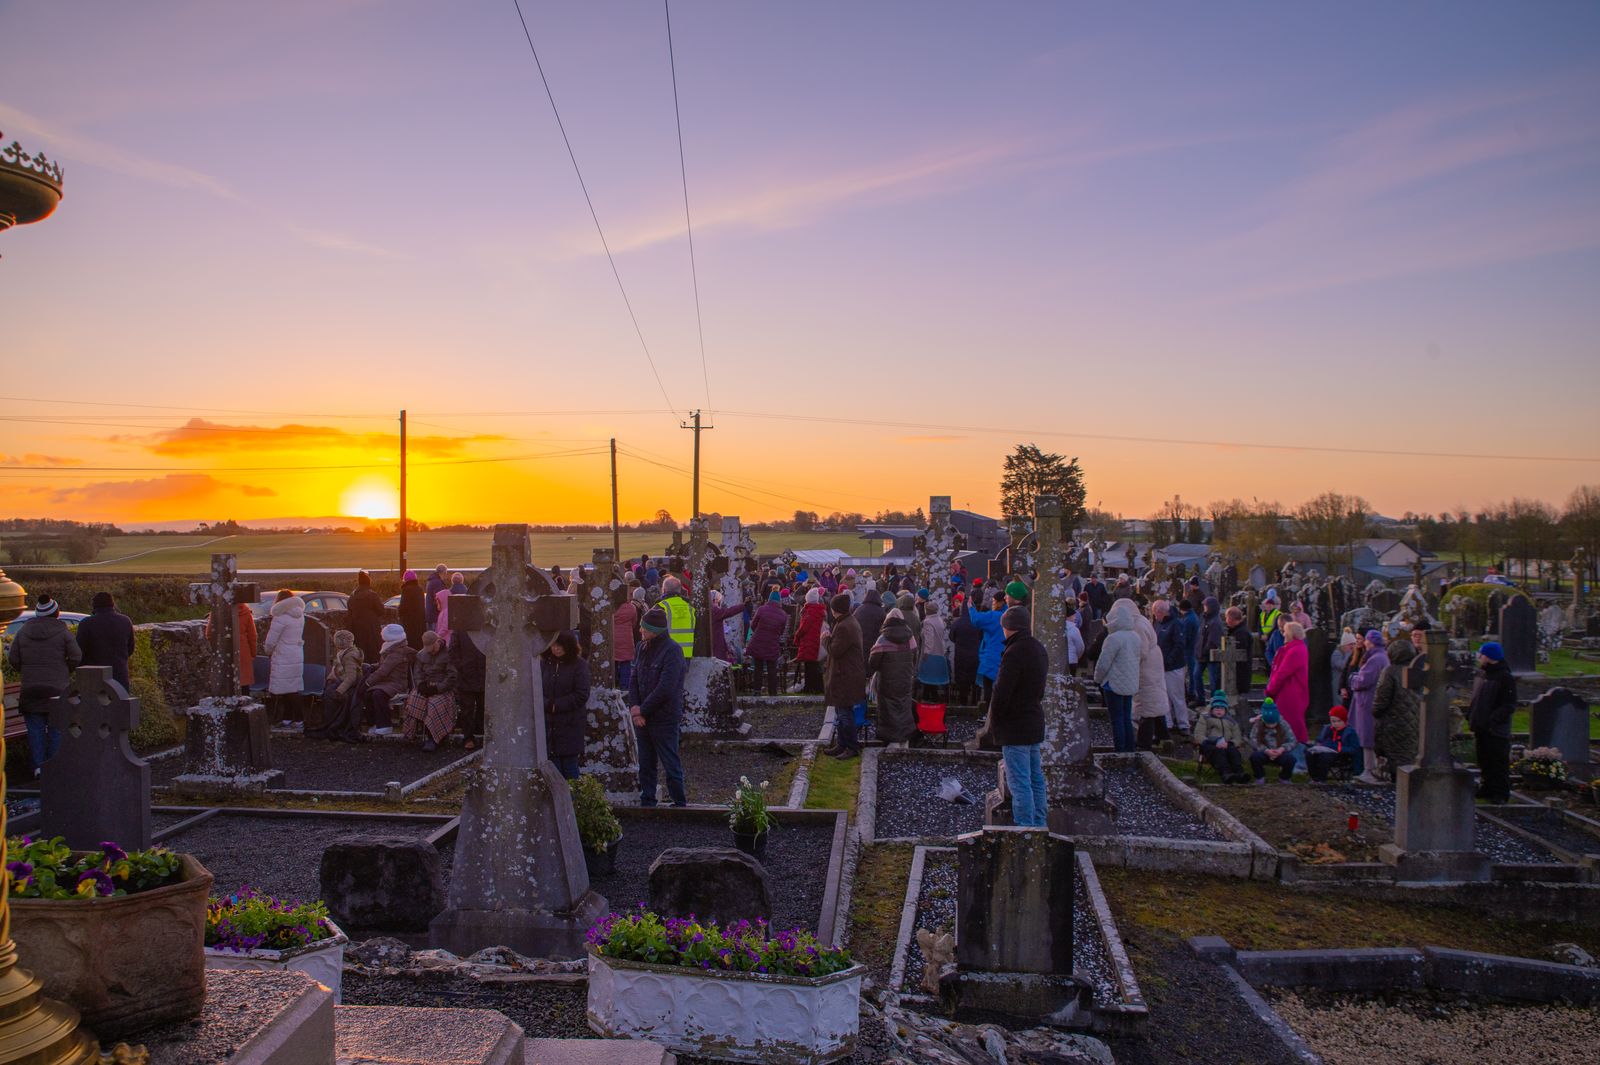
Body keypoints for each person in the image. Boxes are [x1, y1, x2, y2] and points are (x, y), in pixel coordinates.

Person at [7, 595, 79, 775]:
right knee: (56, 728)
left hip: (31, 689)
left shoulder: (23, 632)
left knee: (35, 730)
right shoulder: (63, 632)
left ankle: (39, 767)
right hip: (57, 689)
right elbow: (77, 656)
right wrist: (64, 671)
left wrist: (27, 672)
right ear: (56, 613)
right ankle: (53, 766)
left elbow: (13, 659)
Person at [990, 606, 1049, 826]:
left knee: (1019, 782)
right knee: (1036, 779)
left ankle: (1026, 830)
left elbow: (1002, 692)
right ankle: (1040, 825)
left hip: (1015, 725)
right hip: (1033, 720)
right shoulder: (1038, 648)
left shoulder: (1014, 652)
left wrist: (996, 721)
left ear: (1007, 627)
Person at [629, 606, 688, 806]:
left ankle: (679, 802)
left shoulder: (672, 651)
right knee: (645, 763)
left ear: (655, 630)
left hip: (664, 717)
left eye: (644, 628)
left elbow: (666, 688)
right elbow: (634, 678)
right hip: (643, 716)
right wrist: (635, 708)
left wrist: (642, 710)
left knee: (670, 762)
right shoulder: (641, 648)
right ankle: (648, 799)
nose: (640, 631)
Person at [1468, 641, 1516, 804]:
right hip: (1481, 726)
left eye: (1481, 654)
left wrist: (1492, 720)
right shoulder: (1482, 674)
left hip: (1495, 729)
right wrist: (1471, 715)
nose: (1479, 657)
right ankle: (1487, 787)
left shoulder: (1505, 677)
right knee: (1484, 759)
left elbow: (1509, 704)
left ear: (1489, 657)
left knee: (1498, 761)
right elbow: (1476, 698)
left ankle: (1500, 793)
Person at [822, 593, 868, 760]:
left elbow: (835, 650)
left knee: (844, 713)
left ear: (835, 610)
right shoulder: (848, 622)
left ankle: (851, 746)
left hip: (845, 674)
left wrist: (825, 639)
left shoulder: (844, 626)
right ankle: (842, 744)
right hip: (847, 672)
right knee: (841, 711)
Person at [1094, 598, 1142, 752]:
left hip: (1113, 684)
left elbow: (1103, 663)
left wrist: (1097, 679)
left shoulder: (1113, 638)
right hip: (1130, 683)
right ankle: (1130, 748)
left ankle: (1120, 750)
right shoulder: (1135, 637)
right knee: (1126, 718)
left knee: (1116, 720)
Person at [542, 630, 591, 780]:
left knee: (570, 767)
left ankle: (574, 802)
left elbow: (581, 693)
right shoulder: (545, 664)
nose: (556, 649)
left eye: (559, 646)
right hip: (549, 723)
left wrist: (557, 705)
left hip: (570, 722)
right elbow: (535, 689)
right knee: (553, 767)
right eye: (553, 645)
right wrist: (546, 704)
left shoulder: (579, 665)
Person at [1370, 635, 1421, 774]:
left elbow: (1380, 701)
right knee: (1409, 756)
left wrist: (1375, 711)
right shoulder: (1417, 670)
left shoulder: (1390, 671)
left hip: (1392, 723)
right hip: (1414, 722)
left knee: (1395, 759)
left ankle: (1397, 787)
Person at [868, 608, 918, 745]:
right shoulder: (910, 638)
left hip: (887, 681)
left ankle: (892, 739)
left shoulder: (883, 639)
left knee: (888, 709)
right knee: (904, 708)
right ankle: (904, 739)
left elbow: (873, 663)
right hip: (905, 679)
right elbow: (914, 659)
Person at [1347, 629, 1389, 784]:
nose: (1364, 643)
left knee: (1367, 737)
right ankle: (1371, 770)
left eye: (1366, 640)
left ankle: (1370, 770)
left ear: (1370, 641)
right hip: (1368, 701)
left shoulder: (1376, 659)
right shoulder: (1381, 657)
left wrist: (1353, 679)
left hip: (1367, 701)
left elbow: (1364, 680)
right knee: (1368, 736)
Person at [404, 630, 457, 751]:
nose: (431, 651)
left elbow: (452, 677)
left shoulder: (449, 655)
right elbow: (418, 673)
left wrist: (438, 688)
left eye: (432, 648)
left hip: (443, 688)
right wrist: (421, 684)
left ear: (438, 642)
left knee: (434, 705)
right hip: (426, 686)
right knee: (413, 700)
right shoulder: (421, 655)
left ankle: (433, 737)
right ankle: (410, 733)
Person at [264, 590, 306, 727]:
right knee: (291, 687)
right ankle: (290, 718)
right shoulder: (300, 615)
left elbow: (271, 640)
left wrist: (268, 650)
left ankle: (298, 719)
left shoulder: (280, 617)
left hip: (283, 655)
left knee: (288, 690)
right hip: (296, 653)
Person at [76, 591, 134, 690]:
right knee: (120, 704)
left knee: (95, 704)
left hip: (94, 676)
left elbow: (79, 651)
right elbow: (130, 648)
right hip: (120, 674)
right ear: (112, 604)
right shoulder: (125, 621)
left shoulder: (86, 623)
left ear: (94, 606)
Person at [366, 623, 416, 735]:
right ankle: (375, 723)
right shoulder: (391, 648)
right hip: (388, 682)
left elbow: (383, 671)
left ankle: (385, 725)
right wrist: (371, 666)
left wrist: (367, 682)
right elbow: (382, 665)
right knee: (368, 694)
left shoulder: (398, 652)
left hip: (397, 683)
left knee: (378, 694)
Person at [1265, 621, 1311, 744]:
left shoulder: (1296, 650)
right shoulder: (1292, 649)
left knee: (1291, 720)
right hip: (1287, 691)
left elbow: (1282, 673)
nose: (1284, 634)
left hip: (1290, 692)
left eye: (1285, 631)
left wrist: (1270, 688)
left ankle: (1297, 746)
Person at [1131, 600, 1168, 749]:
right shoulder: (1142, 621)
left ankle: (1144, 743)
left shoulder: (1137, 625)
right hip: (1153, 667)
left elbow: (1141, 652)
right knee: (1155, 704)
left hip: (1147, 670)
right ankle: (1164, 736)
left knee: (1148, 706)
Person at [1192, 690, 1249, 784]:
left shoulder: (1231, 721)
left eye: (1221, 708)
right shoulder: (1205, 718)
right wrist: (1210, 742)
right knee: (1217, 752)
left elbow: (1237, 737)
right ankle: (1226, 774)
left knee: (1233, 751)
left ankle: (1240, 773)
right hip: (1209, 745)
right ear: (1212, 709)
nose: (1219, 710)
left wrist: (1230, 743)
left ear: (1225, 710)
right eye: (1216, 708)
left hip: (1227, 744)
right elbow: (1198, 735)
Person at [317, 629, 365, 742]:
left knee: (331, 695)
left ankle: (334, 726)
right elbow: (337, 670)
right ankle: (331, 725)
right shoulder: (343, 653)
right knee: (329, 691)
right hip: (341, 682)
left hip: (348, 686)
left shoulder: (349, 656)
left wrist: (339, 690)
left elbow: (351, 677)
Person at [204, 598, 259, 694]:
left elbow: (209, 634)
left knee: (225, 684)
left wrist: (218, 647)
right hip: (243, 652)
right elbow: (252, 636)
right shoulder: (246, 612)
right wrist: (252, 654)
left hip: (223, 651)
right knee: (243, 685)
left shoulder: (217, 611)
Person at [1153, 601, 1190, 734]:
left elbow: (1179, 644)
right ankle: (1167, 722)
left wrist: (1169, 660)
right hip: (1161, 666)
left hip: (1173, 666)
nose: (1154, 616)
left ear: (1161, 612)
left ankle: (1183, 724)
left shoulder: (1175, 624)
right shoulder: (1158, 623)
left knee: (1177, 695)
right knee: (1164, 695)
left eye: (1155, 613)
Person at [450, 621, 487, 749]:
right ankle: (468, 737)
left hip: (484, 673)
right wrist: (461, 666)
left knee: (484, 707)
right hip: (466, 674)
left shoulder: (487, 625)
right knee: (467, 709)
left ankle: (482, 734)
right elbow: (453, 650)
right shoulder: (460, 627)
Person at [746, 590, 788, 696]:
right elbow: (781, 631)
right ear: (779, 601)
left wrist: (759, 632)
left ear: (769, 599)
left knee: (758, 667)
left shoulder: (761, 609)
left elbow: (753, 625)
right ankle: (772, 692)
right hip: (772, 643)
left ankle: (757, 691)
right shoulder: (783, 614)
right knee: (772, 668)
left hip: (758, 641)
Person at [968, 592, 1006, 706]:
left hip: (991, 655)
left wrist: (970, 607)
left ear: (1000, 602)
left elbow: (976, 620)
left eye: (994, 602)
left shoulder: (995, 616)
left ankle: (989, 712)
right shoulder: (1009, 614)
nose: (992, 604)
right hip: (1004, 654)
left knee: (989, 686)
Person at [1305, 705, 1362, 782]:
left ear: (1344, 720)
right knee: (1309, 754)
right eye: (1333, 721)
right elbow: (1319, 740)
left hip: (1341, 755)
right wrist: (1318, 745)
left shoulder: (1350, 732)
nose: (1336, 724)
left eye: (1339, 721)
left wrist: (1338, 748)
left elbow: (1355, 749)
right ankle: (1314, 778)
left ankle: (1321, 780)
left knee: (1324, 757)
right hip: (1325, 750)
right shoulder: (1327, 729)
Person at [1249, 701, 1298, 783]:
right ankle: (1259, 777)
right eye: (1268, 723)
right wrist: (1266, 750)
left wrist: (1282, 749)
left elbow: (1292, 740)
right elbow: (1253, 739)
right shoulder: (1258, 724)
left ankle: (1284, 778)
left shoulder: (1284, 724)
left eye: (1273, 723)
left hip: (1280, 752)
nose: (1271, 726)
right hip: (1264, 752)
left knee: (1291, 759)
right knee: (1255, 757)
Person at [792, 588, 827, 693]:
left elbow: (804, 628)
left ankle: (809, 687)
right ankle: (818, 687)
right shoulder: (820, 610)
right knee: (815, 666)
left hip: (809, 641)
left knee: (809, 666)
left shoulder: (809, 611)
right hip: (816, 641)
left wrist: (797, 636)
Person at [948, 597, 981, 706]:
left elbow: (951, 637)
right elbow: (982, 637)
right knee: (974, 678)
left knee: (962, 679)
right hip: (975, 655)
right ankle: (974, 701)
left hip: (961, 655)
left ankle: (963, 701)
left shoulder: (957, 623)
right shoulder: (977, 622)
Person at [347, 570, 384, 663]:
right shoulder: (372, 595)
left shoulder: (352, 596)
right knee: (374, 653)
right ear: (368, 582)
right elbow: (381, 610)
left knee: (360, 654)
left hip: (356, 629)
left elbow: (349, 611)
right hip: (372, 628)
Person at [917, 604, 951, 701]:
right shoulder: (940, 620)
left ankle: (927, 702)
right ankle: (933, 701)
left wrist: (926, 653)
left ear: (927, 611)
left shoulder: (928, 622)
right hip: (939, 653)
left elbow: (929, 639)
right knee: (933, 682)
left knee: (928, 680)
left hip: (930, 655)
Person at [657, 576, 696, 660]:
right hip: (686, 654)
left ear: (664, 590)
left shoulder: (661, 607)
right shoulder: (690, 608)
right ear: (679, 590)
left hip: (667, 654)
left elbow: (649, 631)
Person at [613, 586, 643, 692]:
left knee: (614, 662)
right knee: (626, 662)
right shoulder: (631, 607)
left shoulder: (612, 607)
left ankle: (613, 684)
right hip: (626, 637)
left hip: (613, 637)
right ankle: (625, 687)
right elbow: (634, 622)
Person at [1195, 597, 1223, 699]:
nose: (1204, 608)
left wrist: (1204, 651)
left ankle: (1214, 701)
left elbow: (1213, 641)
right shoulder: (1206, 618)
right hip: (1202, 654)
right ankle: (1201, 698)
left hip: (1210, 655)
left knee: (1213, 680)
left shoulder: (1215, 622)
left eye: (1205, 606)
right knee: (1196, 675)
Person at [1176, 597, 1201, 704]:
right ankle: (1192, 692)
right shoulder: (1193, 616)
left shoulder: (1187, 620)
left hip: (1188, 650)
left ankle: (1191, 694)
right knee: (1192, 673)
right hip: (1193, 648)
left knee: (1190, 674)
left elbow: (1185, 637)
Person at [1223, 606, 1252, 696]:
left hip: (1239, 673)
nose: (1226, 620)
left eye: (1226, 618)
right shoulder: (1236, 630)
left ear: (1231, 618)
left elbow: (1238, 653)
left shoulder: (1241, 633)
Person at [397, 570, 427, 650]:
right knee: (418, 643)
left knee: (410, 643)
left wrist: (399, 615)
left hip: (409, 621)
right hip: (420, 621)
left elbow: (403, 606)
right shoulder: (420, 589)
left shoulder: (406, 590)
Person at [435, 572, 465, 644]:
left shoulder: (443, 596)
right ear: (462, 581)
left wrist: (436, 637)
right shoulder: (468, 594)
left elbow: (445, 627)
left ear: (452, 581)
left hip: (446, 639)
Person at [1330, 631, 1357, 709]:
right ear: (1344, 645)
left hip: (1348, 686)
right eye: (1350, 644)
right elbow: (1342, 666)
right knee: (1339, 705)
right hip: (1338, 685)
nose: (1352, 646)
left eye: (1353, 644)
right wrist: (1349, 653)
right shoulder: (1337, 654)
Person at [424, 564, 448, 628]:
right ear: (443, 572)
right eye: (446, 573)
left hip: (430, 613)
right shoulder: (437, 583)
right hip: (435, 615)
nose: (446, 575)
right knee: (435, 636)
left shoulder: (431, 580)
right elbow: (439, 599)